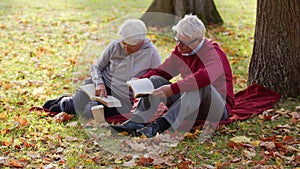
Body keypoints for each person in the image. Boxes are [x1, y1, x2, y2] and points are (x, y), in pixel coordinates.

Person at [109, 15, 235, 138]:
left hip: (216, 108)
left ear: (198, 39)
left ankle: (158, 126)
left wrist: (172, 89)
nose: (179, 45)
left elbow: (204, 77)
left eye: (184, 42)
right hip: (190, 104)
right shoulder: (181, 50)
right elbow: (163, 71)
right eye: (177, 40)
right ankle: (136, 121)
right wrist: (141, 81)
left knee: (200, 86)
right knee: (155, 80)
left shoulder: (213, 52)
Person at [42, 19, 161, 119]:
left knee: (90, 112)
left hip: (123, 99)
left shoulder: (151, 53)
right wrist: (99, 83)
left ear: (140, 42)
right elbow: (96, 67)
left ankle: (84, 105)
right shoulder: (115, 46)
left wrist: (140, 82)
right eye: (123, 43)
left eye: (129, 46)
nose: (124, 47)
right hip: (101, 85)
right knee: (70, 107)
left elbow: (157, 79)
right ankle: (65, 101)